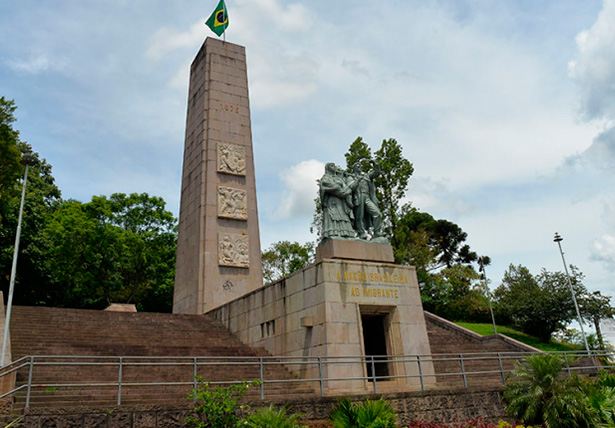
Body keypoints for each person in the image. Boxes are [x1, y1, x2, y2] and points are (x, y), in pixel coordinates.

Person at [319, 163, 356, 240]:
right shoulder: (326, 178)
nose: (335, 167)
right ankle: (333, 234)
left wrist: (355, 182)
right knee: (334, 218)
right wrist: (342, 190)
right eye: (332, 166)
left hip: (342, 202)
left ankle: (346, 234)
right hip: (332, 202)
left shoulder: (339, 179)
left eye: (334, 165)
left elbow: (345, 188)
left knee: (343, 217)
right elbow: (335, 189)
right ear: (328, 168)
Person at [351, 162, 383, 240]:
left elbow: (377, 173)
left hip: (367, 197)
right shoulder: (351, 177)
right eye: (357, 166)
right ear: (354, 168)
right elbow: (351, 187)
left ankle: (377, 232)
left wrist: (375, 164)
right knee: (359, 217)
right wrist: (357, 180)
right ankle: (361, 233)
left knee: (377, 214)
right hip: (358, 197)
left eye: (360, 165)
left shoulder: (366, 176)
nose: (359, 167)